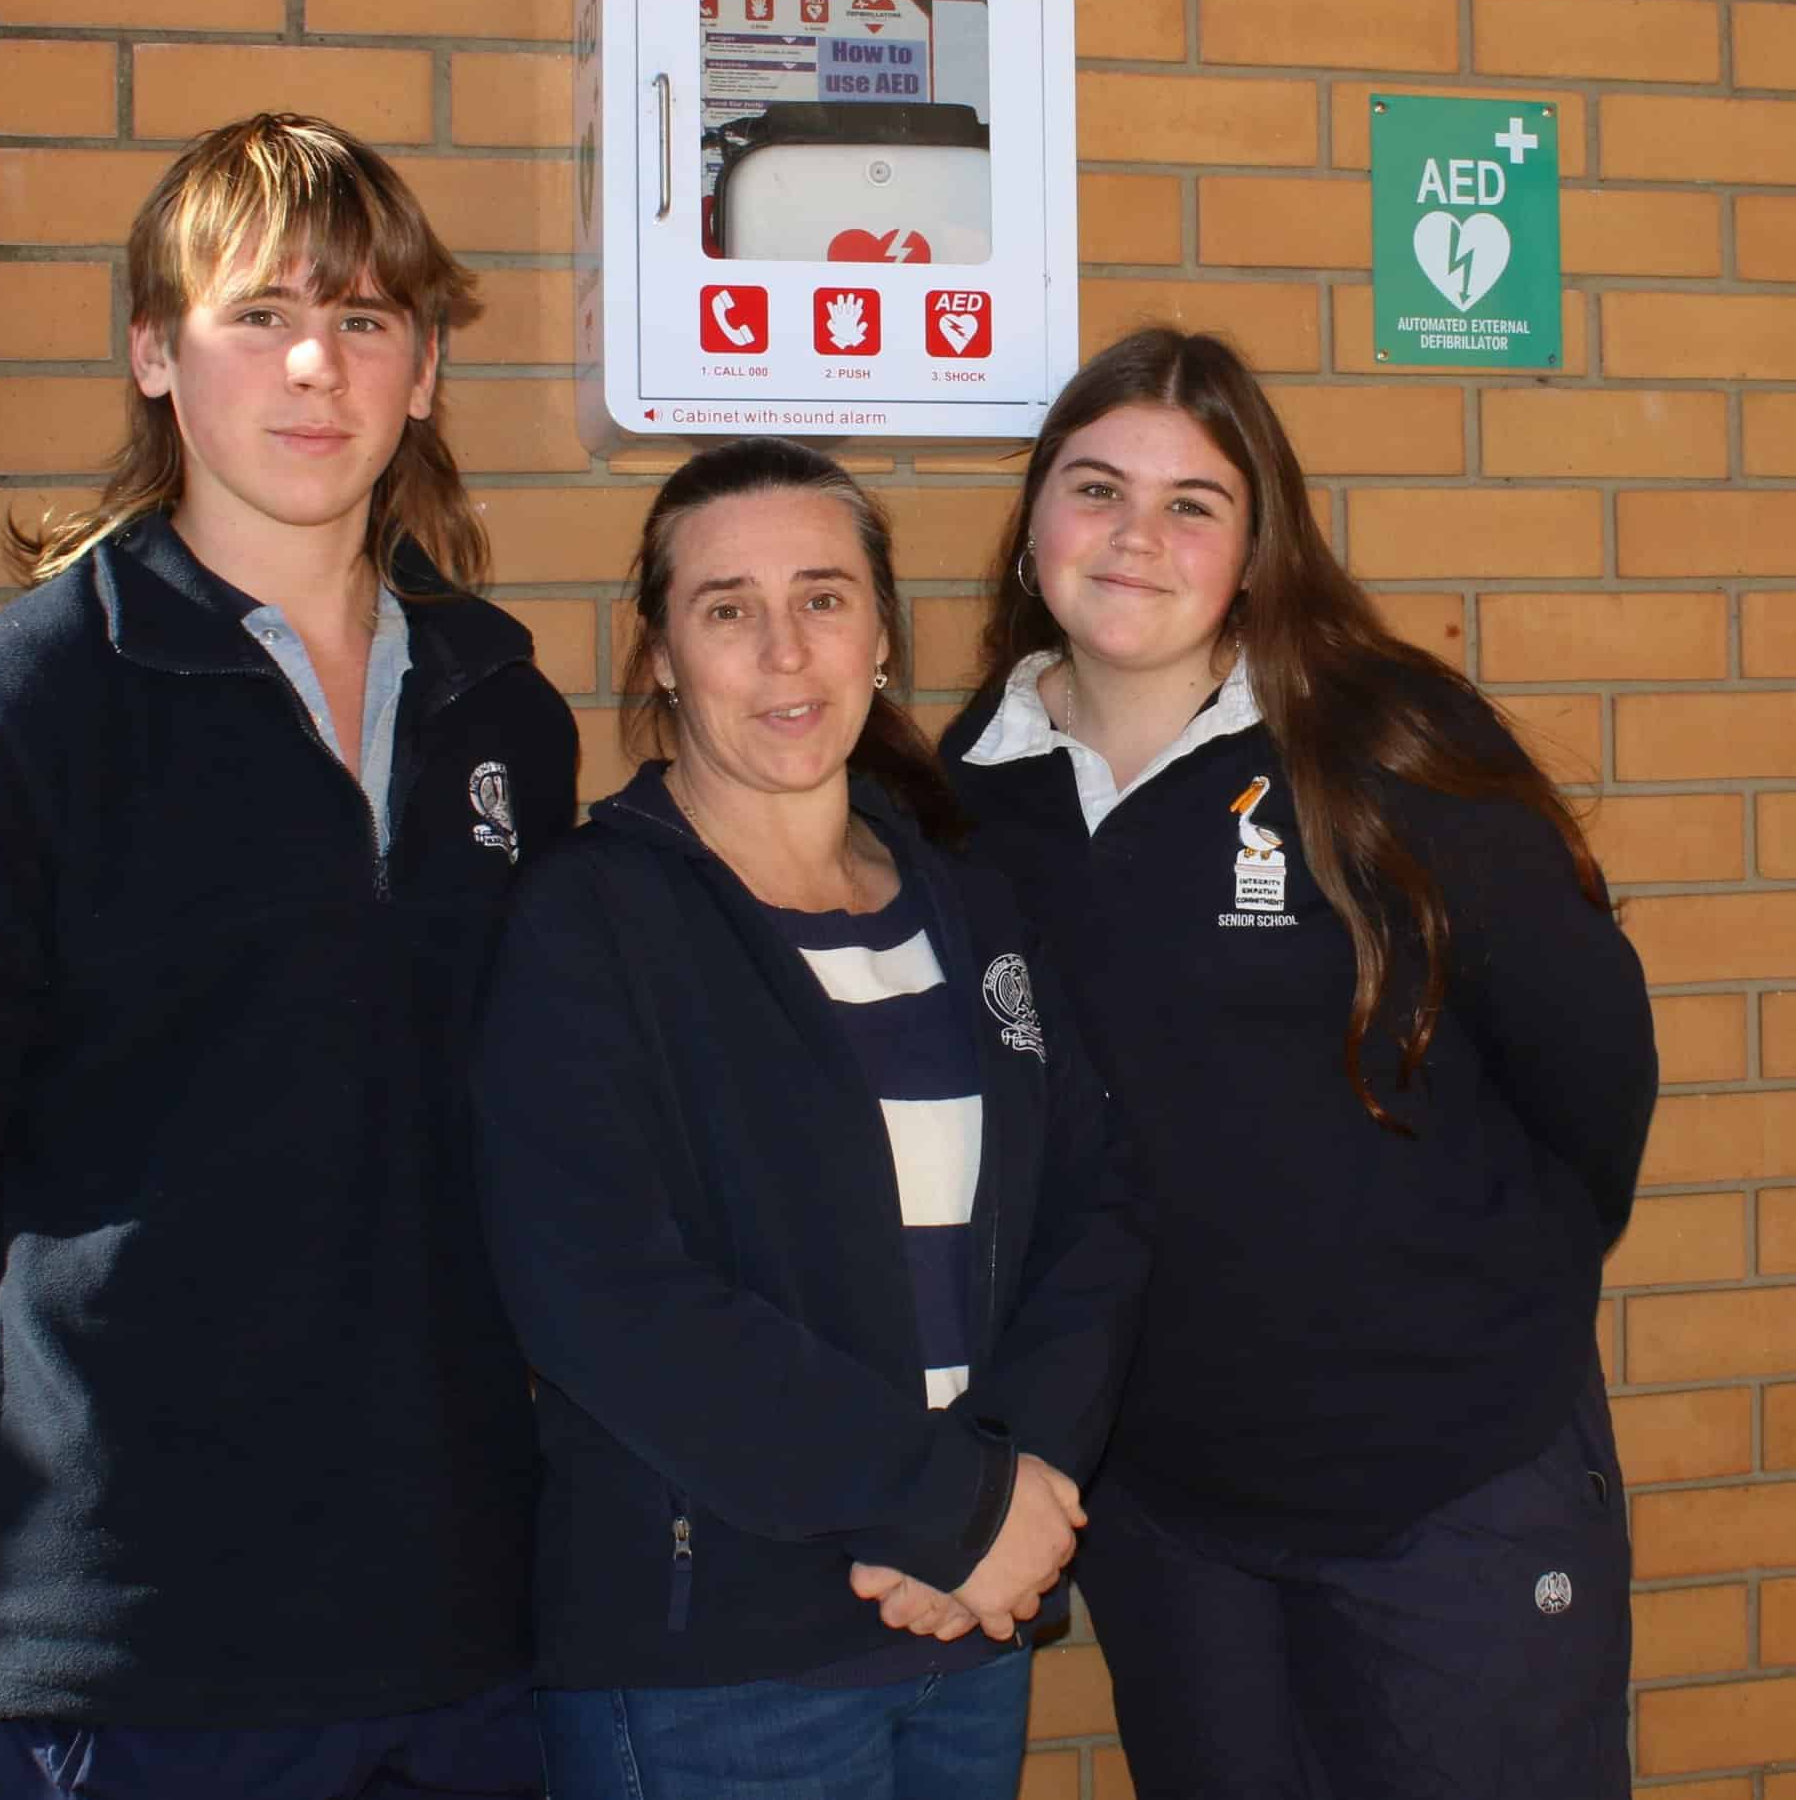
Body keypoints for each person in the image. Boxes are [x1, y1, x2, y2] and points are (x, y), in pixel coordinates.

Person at [0, 113, 576, 1799]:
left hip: (466, 1621)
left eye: (365, 319)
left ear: (427, 371)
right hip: (146, 1658)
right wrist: (40, 1504)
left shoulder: (502, 709)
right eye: (259, 314)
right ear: (155, 352)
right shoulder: (6, 719)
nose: (316, 366)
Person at [940, 327, 1658, 1800]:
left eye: (1192, 503)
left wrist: (1479, 1296)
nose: (1135, 537)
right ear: (1033, 523)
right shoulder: (973, 788)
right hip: (1168, 1504)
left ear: (1258, 550)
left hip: (1447, 1479)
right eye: (1096, 489)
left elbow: (1589, 1056)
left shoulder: (1378, 741)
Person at [470, 438, 1145, 1800]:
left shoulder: (970, 903)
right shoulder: (590, 921)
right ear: (662, 655)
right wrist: (953, 1509)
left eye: (824, 598)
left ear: (881, 635)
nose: (786, 652)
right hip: (719, 1666)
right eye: (727, 609)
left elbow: (1094, 1212)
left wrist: (1015, 1486)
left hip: (966, 1635)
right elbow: (605, 1297)